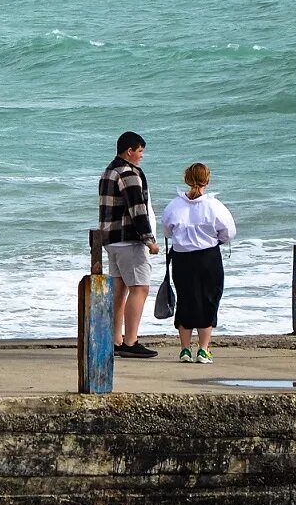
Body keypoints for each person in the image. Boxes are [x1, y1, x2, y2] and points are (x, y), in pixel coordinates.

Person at [161, 162, 236, 364]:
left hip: (182, 256)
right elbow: (228, 233)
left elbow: (167, 230)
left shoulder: (174, 205)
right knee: (209, 299)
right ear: (207, 180)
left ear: (186, 178)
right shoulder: (214, 205)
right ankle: (203, 349)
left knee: (185, 299)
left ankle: (185, 349)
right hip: (208, 256)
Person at [99, 130, 161, 358]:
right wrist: (150, 241)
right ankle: (131, 340)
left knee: (119, 290)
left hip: (111, 239)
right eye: (140, 151)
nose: (141, 156)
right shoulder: (128, 173)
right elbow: (138, 210)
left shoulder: (109, 171)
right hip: (129, 240)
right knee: (140, 288)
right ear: (130, 151)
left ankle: (115, 340)